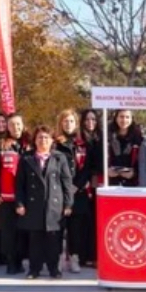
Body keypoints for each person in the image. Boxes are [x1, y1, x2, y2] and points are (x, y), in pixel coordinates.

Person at [15, 125, 75, 280]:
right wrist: (20, 204)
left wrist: (68, 204)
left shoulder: (59, 157)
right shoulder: (26, 158)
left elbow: (66, 182)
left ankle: (54, 269)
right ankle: (34, 269)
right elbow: (19, 184)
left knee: (53, 239)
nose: (43, 141)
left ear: (52, 140)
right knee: (35, 239)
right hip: (33, 204)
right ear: (35, 140)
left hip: (54, 205)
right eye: (40, 137)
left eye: (46, 138)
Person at [54, 108, 90, 273]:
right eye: (65, 121)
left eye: (71, 121)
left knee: (76, 229)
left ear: (76, 124)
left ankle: (75, 258)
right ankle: (59, 258)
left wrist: (77, 186)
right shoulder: (55, 144)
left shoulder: (82, 143)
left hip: (78, 192)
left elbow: (87, 168)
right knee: (59, 228)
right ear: (60, 123)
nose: (68, 124)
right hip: (59, 192)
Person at [0, 113, 28, 275]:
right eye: (12, 125)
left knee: (23, 230)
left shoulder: (30, 145)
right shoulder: (2, 146)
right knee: (9, 231)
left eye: (18, 124)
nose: (16, 128)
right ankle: (11, 262)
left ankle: (22, 260)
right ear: (8, 127)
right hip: (7, 196)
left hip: (27, 196)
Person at [75, 108, 100, 268]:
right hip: (81, 185)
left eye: (93, 119)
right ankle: (81, 256)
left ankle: (94, 256)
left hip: (97, 184)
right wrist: (83, 180)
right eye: (87, 119)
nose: (90, 123)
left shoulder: (101, 138)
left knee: (95, 222)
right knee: (82, 223)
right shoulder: (79, 140)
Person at [105, 109, 143, 187]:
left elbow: (142, 160)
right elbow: (98, 158)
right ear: (116, 118)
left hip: (131, 183)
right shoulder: (107, 136)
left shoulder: (138, 138)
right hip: (111, 182)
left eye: (127, 117)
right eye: (121, 117)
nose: (124, 120)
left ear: (132, 119)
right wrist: (106, 170)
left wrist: (134, 173)